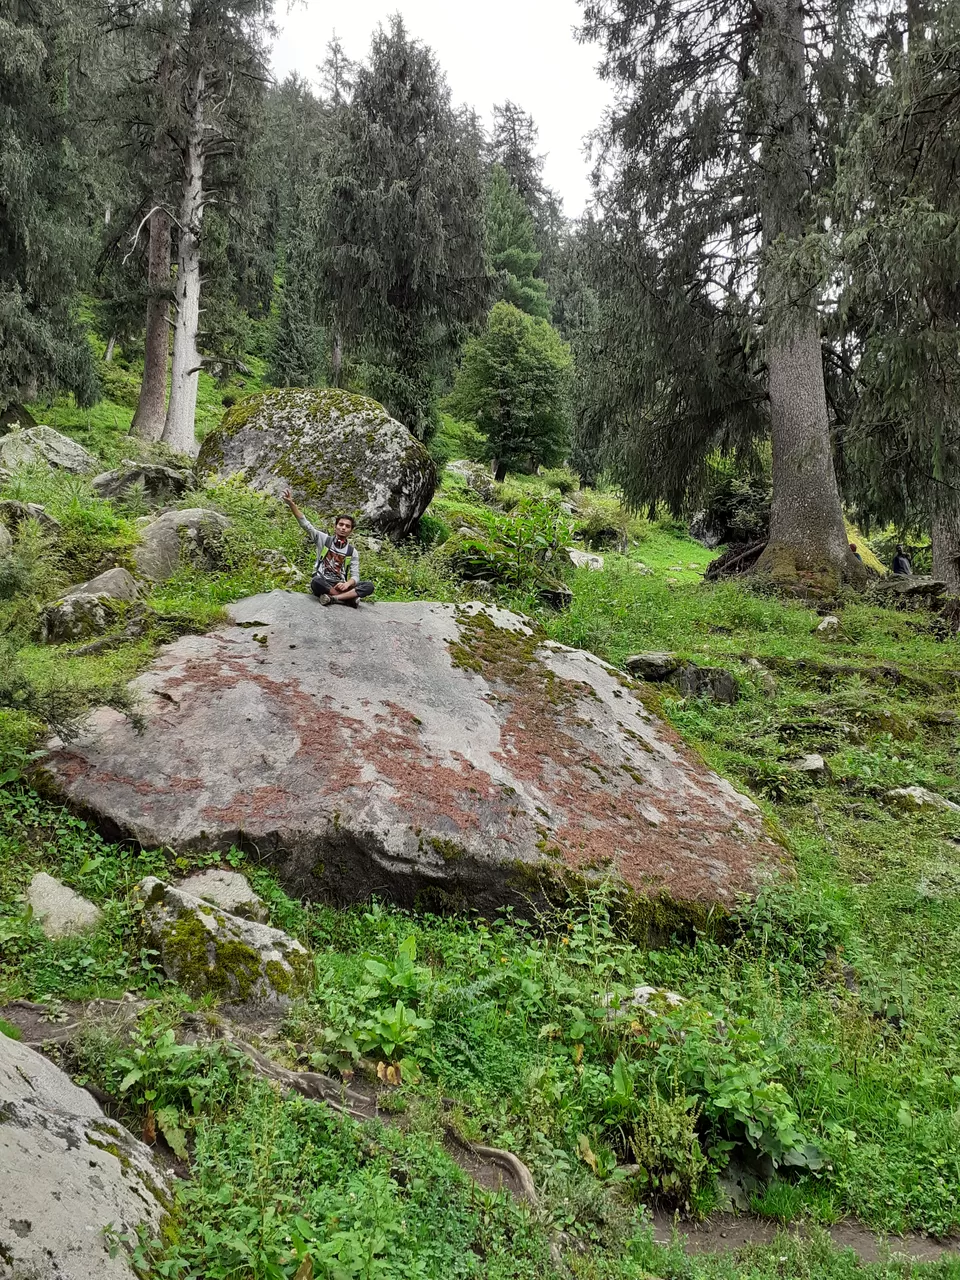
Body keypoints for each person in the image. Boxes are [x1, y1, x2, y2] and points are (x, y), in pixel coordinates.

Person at [281, 488, 374, 607]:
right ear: (335, 527)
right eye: (341, 524)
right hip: (324, 582)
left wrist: (347, 584)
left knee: (368, 586)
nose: (343, 528)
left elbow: (355, 576)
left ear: (351, 530)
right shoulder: (324, 540)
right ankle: (347, 599)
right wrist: (291, 504)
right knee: (316, 581)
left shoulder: (352, 551)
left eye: (347, 526)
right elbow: (306, 525)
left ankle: (334, 598)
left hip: (341, 585)